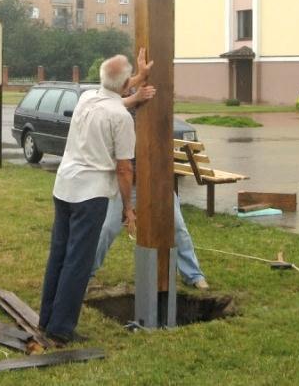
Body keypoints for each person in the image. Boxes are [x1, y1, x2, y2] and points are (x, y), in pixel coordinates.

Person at [39, 54, 145, 344]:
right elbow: (125, 169)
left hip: (64, 187)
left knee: (59, 254)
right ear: (124, 84)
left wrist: (138, 78)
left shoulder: (87, 98)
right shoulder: (121, 117)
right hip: (91, 194)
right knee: (78, 261)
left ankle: (47, 318)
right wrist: (129, 209)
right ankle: (61, 328)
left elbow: (115, 93)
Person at [90, 50, 209, 290]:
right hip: (124, 183)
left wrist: (143, 80)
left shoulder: (157, 103)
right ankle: (87, 273)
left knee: (176, 226)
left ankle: (193, 275)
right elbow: (114, 99)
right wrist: (137, 93)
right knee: (106, 228)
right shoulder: (116, 105)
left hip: (155, 181)